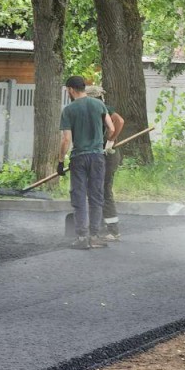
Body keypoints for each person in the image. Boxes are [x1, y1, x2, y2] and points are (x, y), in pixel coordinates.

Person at [59, 76, 115, 250]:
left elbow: (66, 139)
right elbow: (112, 128)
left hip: (79, 158)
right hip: (98, 157)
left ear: (70, 89)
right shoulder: (99, 105)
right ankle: (95, 236)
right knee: (96, 196)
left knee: (79, 197)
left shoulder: (68, 110)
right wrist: (105, 143)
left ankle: (82, 237)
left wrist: (60, 161)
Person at [85, 85, 125, 240]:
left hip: (107, 155)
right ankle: (99, 226)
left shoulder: (102, 107)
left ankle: (113, 231)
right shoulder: (93, 110)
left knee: (104, 191)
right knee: (95, 190)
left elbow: (119, 121)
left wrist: (111, 140)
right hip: (97, 156)